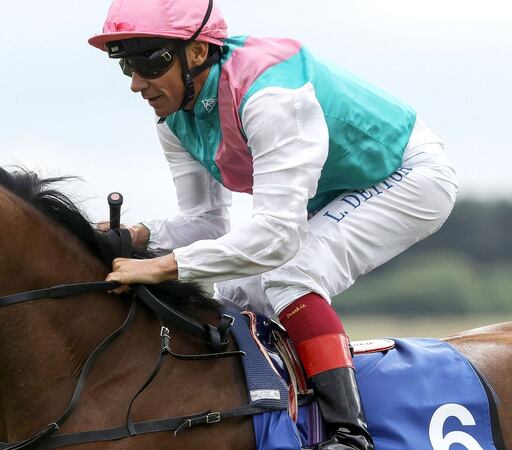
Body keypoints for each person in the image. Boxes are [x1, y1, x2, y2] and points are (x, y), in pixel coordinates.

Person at [89, 0, 459, 448]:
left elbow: (278, 239)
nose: (135, 82)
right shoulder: (173, 119)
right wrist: (131, 238)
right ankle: (275, 415)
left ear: (199, 53)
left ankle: (348, 432)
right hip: (334, 193)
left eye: (150, 60)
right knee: (235, 292)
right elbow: (206, 223)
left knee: (290, 272)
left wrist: (162, 266)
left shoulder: (270, 96)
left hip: (409, 176)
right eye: (126, 63)